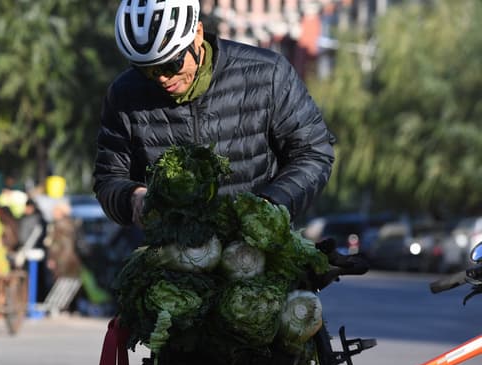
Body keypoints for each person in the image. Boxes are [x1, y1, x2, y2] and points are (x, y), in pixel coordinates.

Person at [93, 0, 335, 228]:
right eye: (147, 70)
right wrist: (133, 198)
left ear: (197, 35)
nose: (162, 78)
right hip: (172, 257)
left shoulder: (268, 74)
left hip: (259, 251)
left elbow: (313, 153)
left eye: (171, 64)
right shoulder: (124, 94)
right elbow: (109, 178)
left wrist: (271, 205)